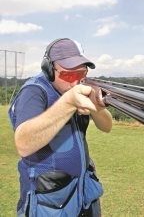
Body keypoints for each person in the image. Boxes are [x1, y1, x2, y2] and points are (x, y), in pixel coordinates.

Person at [8, 38, 112, 217]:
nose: (75, 82)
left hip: (83, 191)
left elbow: (107, 126)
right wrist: (68, 103)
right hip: (48, 202)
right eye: (68, 75)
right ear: (49, 70)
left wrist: (98, 107)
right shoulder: (33, 91)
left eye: (81, 74)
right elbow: (24, 144)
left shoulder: (79, 86)